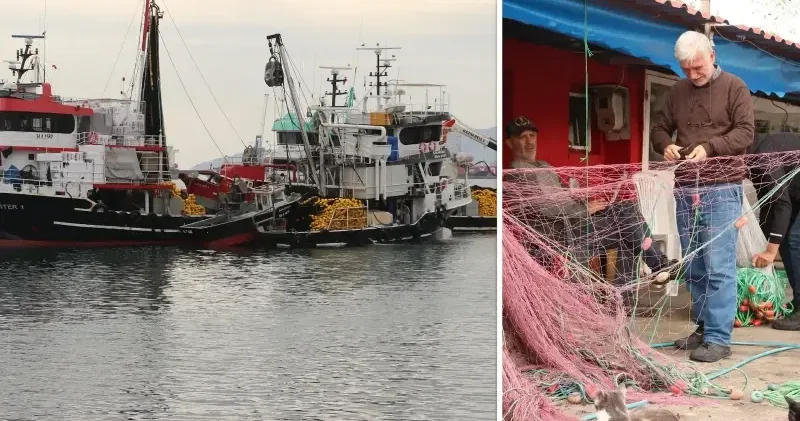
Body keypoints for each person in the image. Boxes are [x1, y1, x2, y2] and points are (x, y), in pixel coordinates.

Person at [650, 30, 755, 362]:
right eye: (686, 69)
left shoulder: (735, 87)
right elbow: (659, 128)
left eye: (697, 67)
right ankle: (704, 326)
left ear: (711, 54)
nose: (693, 75)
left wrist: (708, 148)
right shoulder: (677, 91)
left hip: (722, 187)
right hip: (685, 186)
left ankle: (719, 337)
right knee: (693, 262)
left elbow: (745, 133)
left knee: (719, 264)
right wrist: (664, 144)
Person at [504, 116, 677, 306]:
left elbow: (564, 195)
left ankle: (628, 297)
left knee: (626, 211)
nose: (529, 142)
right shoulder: (517, 174)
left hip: (575, 223)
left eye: (532, 135)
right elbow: (547, 207)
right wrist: (585, 208)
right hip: (559, 235)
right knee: (628, 228)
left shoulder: (544, 166)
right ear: (509, 143)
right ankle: (653, 268)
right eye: (522, 137)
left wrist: (585, 199)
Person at [748, 132, 800, 330]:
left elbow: (782, 204)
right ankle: (798, 301)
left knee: (795, 239)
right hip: (796, 194)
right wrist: (762, 241)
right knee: (785, 239)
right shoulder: (754, 157)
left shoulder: (762, 156)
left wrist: (770, 251)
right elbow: (768, 202)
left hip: (793, 198)